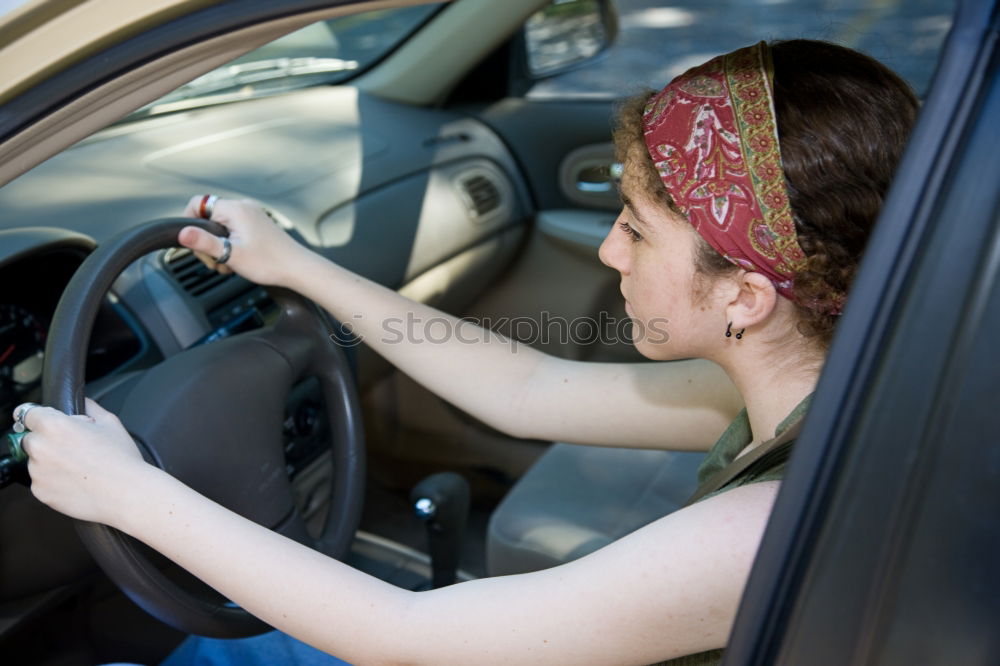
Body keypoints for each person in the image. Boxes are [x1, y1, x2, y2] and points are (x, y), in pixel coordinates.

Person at [12, 39, 917, 665]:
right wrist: (300, 267)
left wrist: (123, 490)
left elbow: (402, 635)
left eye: (637, 232)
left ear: (744, 297)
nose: (609, 252)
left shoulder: (766, 529)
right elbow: (529, 388)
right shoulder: (840, 389)